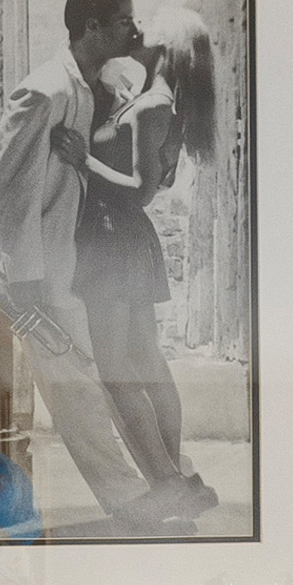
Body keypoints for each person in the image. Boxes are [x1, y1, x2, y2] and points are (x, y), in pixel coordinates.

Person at [74, 26, 220, 518]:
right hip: (120, 238)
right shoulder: (149, 101)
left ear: (165, 49)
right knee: (145, 360)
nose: (133, 34)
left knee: (118, 369)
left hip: (115, 237)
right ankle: (176, 479)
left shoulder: (154, 106)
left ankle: (167, 482)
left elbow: (142, 190)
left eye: (143, 30)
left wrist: (82, 159)